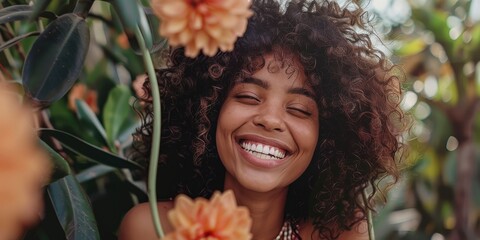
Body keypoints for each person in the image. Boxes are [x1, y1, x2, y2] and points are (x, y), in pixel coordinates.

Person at [119, 0, 407, 239]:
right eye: (248, 97)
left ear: (328, 137)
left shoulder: (339, 235)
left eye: (299, 109)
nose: (270, 120)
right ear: (206, 113)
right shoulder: (149, 229)